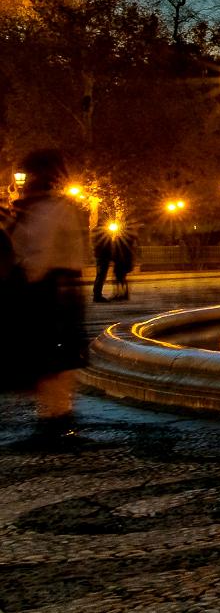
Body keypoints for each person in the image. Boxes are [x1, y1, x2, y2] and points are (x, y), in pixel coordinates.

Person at [6, 149, 93, 449]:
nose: (22, 182)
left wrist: (21, 281)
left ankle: (57, 421)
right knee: (51, 359)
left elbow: (36, 257)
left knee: (51, 359)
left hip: (51, 293)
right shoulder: (49, 208)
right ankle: (55, 418)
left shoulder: (49, 211)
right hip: (57, 291)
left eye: (26, 176)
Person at [92, 221, 135, 302]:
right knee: (102, 276)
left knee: (103, 276)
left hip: (104, 257)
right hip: (104, 257)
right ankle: (98, 295)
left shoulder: (98, 234)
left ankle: (98, 295)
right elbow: (107, 246)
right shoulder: (102, 234)